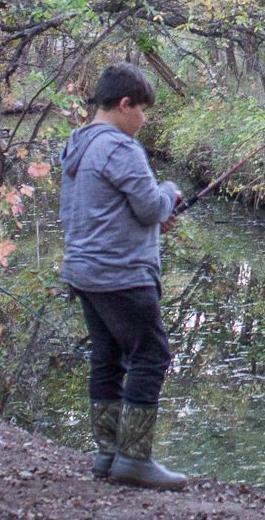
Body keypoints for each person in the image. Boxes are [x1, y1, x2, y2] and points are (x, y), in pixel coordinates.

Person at [59, 63, 188, 491]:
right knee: (152, 356)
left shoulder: (77, 144)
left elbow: (107, 210)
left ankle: (108, 454)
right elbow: (151, 207)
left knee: (106, 358)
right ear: (124, 104)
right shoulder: (119, 147)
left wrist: (154, 213)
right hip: (121, 274)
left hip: (84, 272)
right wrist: (169, 193)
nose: (144, 119)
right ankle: (134, 458)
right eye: (142, 110)